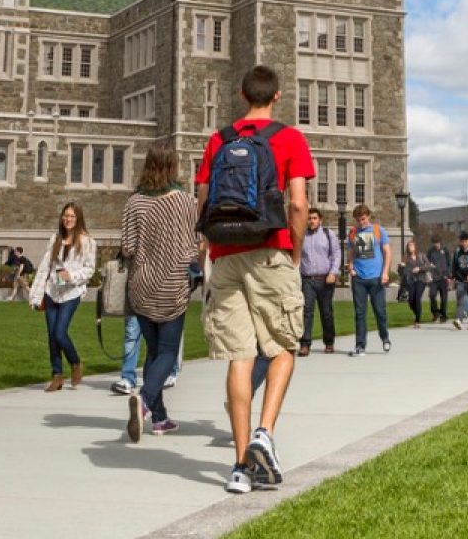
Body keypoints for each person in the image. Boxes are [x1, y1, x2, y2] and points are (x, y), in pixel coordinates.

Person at [197, 66, 312, 496]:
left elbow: (204, 200)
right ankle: (265, 433)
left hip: (226, 254)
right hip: (270, 250)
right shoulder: (288, 138)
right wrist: (295, 252)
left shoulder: (219, 139)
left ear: (242, 95)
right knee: (283, 346)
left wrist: (210, 248)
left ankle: (241, 466)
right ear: (277, 96)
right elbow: (297, 204)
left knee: (239, 358)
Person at [120, 141, 199, 440]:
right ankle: (143, 402)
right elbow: (192, 246)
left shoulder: (134, 202)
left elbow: (127, 247)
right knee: (167, 352)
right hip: (172, 284)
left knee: (153, 352)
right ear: (172, 166)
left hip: (141, 284)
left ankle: (160, 419)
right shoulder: (183, 201)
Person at [29, 201, 95, 392]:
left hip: (71, 293)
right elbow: (44, 267)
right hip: (52, 291)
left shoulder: (87, 242)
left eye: (72, 216)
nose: (68, 219)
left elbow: (90, 270)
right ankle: (57, 375)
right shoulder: (55, 239)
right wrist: (36, 294)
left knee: (60, 332)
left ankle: (75, 363)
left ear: (78, 218)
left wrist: (72, 276)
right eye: (65, 215)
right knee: (51, 335)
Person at [348, 204, 391, 355]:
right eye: (358, 220)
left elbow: (387, 252)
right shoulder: (353, 233)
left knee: (380, 311)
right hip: (359, 278)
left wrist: (385, 272)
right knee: (360, 313)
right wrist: (351, 267)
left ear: (369, 217)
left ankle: (385, 337)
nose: (361, 223)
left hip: (376, 277)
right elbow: (351, 252)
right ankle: (360, 345)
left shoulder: (379, 230)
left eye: (363, 219)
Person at [296, 207, 341, 356]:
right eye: (309, 218)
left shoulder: (328, 235)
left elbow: (336, 254)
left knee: (326, 312)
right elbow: (297, 258)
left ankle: (329, 342)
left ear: (320, 220)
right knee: (307, 312)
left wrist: (333, 272)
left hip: (325, 279)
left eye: (314, 218)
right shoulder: (301, 236)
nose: (311, 221)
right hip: (307, 279)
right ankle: (305, 344)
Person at [450, 230, 468, 329]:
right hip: (460, 280)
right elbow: (454, 265)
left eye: (465, 241)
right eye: (462, 241)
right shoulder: (457, 252)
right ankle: (458, 320)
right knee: (460, 300)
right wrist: (453, 277)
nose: (464, 243)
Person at [398, 239, 427, 328]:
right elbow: (401, 272)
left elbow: (428, 266)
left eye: (412, 246)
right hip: (410, 280)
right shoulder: (405, 257)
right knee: (411, 300)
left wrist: (420, 269)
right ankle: (416, 312)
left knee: (417, 298)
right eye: (409, 246)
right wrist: (401, 267)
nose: (411, 247)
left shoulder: (421, 255)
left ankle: (417, 320)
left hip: (421, 280)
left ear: (415, 247)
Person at [425, 237, 451, 323]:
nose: (436, 245)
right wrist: (429, 266)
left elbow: (449, 263)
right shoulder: (430, 251)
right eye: (434, 243)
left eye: (437, 243)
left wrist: (449, 276)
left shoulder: (445, 250)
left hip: (443, 277)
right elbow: (427, 263)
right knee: (432, 295)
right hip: (433, 278)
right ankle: (435, 313)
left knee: (444, 298)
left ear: (440, 242)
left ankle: (443, 315)